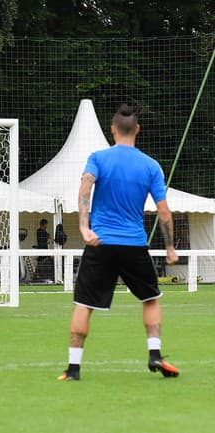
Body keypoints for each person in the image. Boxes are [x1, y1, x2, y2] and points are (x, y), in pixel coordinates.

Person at [58, 104, 179, 381]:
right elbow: (163, 211)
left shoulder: (98, 158)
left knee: (83, 304)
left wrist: (84, 228)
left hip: (100, 242)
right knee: (150, 299)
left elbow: (85, 188)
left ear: (112, 130)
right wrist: (170, 247)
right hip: (134, 244)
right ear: (137, 130)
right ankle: (154, 354)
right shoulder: (150, 165)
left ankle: (73, 369)